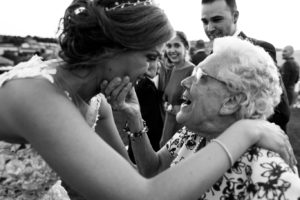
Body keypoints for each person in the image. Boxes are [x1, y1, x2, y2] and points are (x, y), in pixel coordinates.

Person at [0, 0, 295, 199]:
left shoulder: (97, 104)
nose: (154, 69)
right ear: (113, 48)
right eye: (150, 56)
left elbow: (127, 174)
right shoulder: (33, 94)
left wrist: (132, 117)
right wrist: (247, 130)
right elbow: (143, 193)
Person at [116, 36, 300, 199]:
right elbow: (153, 170)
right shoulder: (193, 134)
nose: (184, 82)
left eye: (200, 76)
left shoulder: (272, 180)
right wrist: (134, 117)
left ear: (232, 101)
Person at [200, 0, 290, 132]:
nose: (209, 28)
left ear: (235, 16)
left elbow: (279, 112)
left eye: (217, 20)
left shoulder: (259, 50)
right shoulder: (209, 58)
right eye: (205, 21)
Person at [160, 31, 195, 147]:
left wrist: (173, 107)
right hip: (167, 124)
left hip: (181, 128)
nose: (172, 50)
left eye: (176, 45)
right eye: (169, 46)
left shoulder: (192, 70)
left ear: (185, 47)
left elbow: (194, 105)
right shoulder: (172, 69)